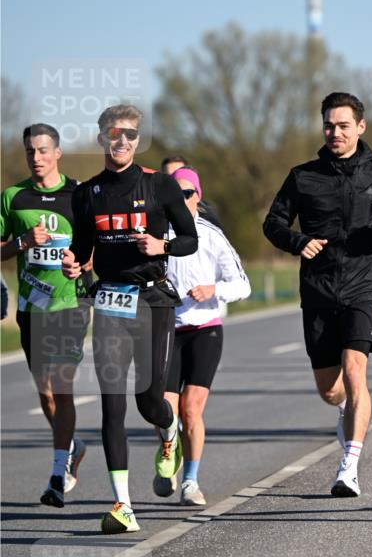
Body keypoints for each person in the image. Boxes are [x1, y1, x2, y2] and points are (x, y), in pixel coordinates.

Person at [263, 91, 372, 498]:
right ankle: (347, 411)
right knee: (331, 390)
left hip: (363, 285)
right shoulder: (302, 176)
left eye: (344, 125)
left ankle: (349, 465)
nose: (336, 132)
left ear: (360, 127)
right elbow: (273, 223)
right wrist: (297, 242)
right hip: (317, 289)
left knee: (355, 371)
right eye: (329, 125)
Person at [62, 104, 198, 534]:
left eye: (130, 135)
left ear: (138, 140)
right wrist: (74, 264)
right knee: (112, 405)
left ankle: (169, 428)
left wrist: (164, 248)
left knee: (148, 400)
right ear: (101, 138)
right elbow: (83, 248)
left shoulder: (159, 185)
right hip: (109, 304)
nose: (121, 142)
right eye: (113, 134)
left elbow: (189, 239)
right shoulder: (87, 193)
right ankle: (122, 505)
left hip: (152, 301)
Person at [1, 124, 90, 507]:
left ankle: (57, 474)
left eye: (42, 150)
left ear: (57, 153)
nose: (36, 158)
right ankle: (73, 446)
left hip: (70, 305)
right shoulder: (12, 197)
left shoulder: (81, 194)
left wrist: (83, 265)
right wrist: (21, 242)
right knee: (47, 395)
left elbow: (100, 245)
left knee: (61, 385)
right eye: (29, 152)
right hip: (31, 310)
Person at [161, 167, 251, 505]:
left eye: (187, 193)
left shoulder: (211, 235)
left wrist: (214, 289)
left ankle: (191, 481)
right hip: (167, 330)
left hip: (204, 329)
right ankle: (168, 452)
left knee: (191, 409)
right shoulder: (160, 234)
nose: (181, 200)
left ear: (198, 196)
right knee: (164, 411)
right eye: (175, 194)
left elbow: (243, 285)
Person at [161, 155, 223, 230]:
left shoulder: (207, 216)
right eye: (169, 176)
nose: (174, 179)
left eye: (179, 172)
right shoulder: (152, 208)